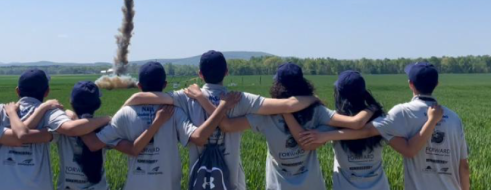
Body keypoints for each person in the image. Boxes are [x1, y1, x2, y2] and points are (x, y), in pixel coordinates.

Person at [123, 51, 320, 190]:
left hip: (200, 180)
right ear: (226, 72)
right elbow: (287, 105)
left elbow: (152, 97)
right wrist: (313, 98)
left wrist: (130, 100)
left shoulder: (186, 97)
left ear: (200, 74)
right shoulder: (240, 98)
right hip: (232, 181)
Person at [183, 63, 378, 190]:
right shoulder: (316, 111)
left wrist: (202, 98)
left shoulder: (266, 116)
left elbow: (225, 125)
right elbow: (355, 124)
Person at [300, 62, 469, 190]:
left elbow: (365, 132)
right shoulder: (454, 119)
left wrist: (326, 135)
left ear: (410, 83)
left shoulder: (401, 113)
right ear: (437, 84)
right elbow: (464, 166)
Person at [81, 61, 241, 190]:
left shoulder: (125, 113)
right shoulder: (174, 112)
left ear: (139, 86)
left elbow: (94, 144)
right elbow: (199, 138)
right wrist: (221, 108)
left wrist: (76, 119)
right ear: (164, 84)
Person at [26, 80, 176, 190]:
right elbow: (133, 149)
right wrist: (156, 123)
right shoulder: (105, 128)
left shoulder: (62, 126)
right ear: (97, 104)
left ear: (71, 102)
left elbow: (26, 135)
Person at [0, 71, 113, 190]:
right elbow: (73, 130)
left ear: (17, 91)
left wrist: (12, 112)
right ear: (47, 92)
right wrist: (108, 118)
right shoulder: (53, 115)